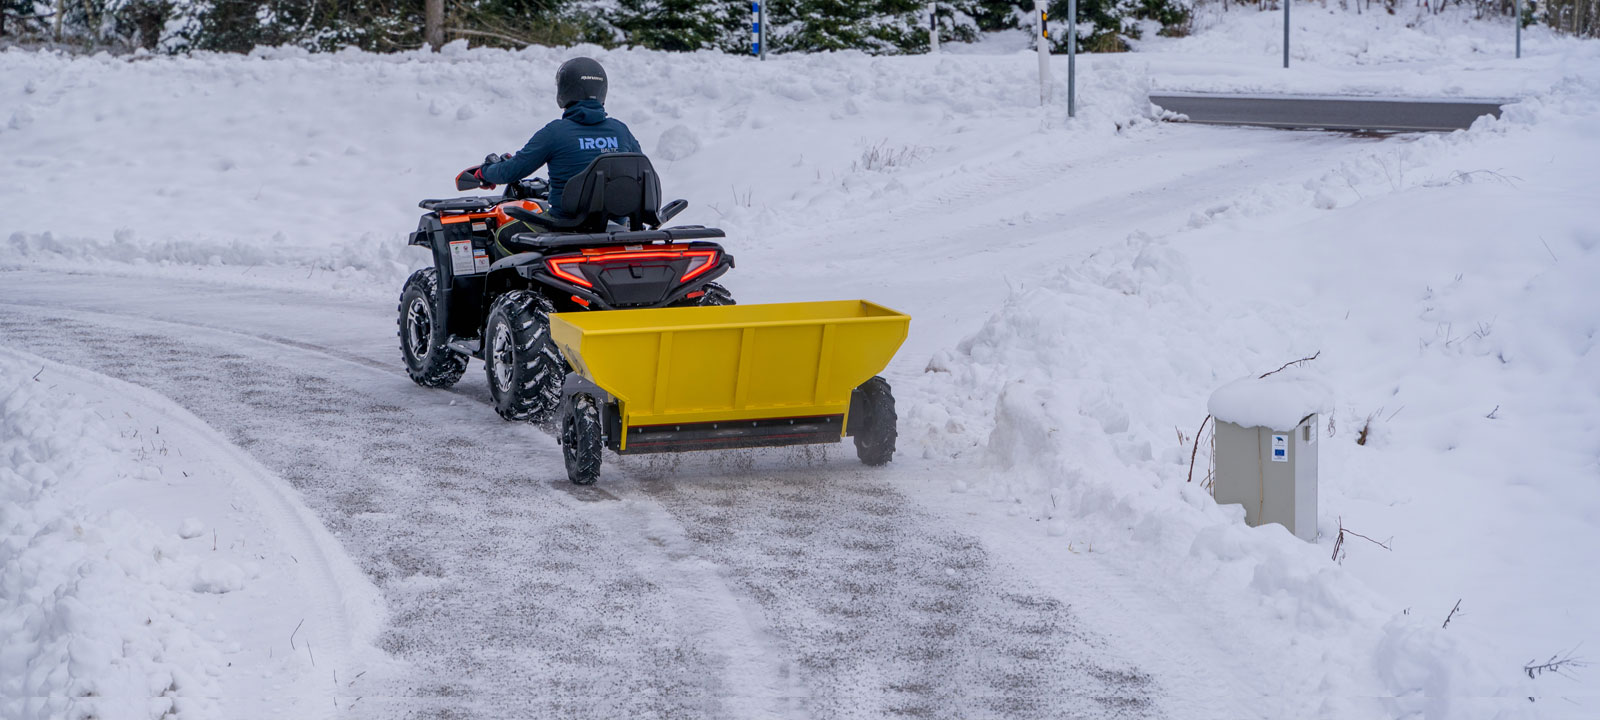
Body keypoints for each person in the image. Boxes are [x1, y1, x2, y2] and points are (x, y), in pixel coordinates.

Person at [472, 57, 642, 256]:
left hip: (565, 227)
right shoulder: (621, 131)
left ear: (564, 90)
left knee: (503, 236)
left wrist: (484, 173)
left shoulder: (556, 132)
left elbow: (511, 171)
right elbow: (640, 173)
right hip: (615, 226)